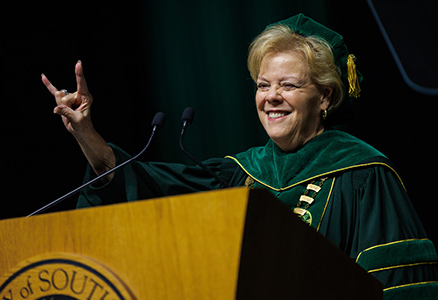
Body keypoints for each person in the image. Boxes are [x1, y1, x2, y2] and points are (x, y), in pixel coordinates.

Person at [42, 13, 437, 299]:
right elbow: (141, 184)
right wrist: (86, 132)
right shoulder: (238, 175)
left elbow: (401, 286)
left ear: (326, 96)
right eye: (263, 84)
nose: (271, 97)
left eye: (289, 84)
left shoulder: (363, 174)